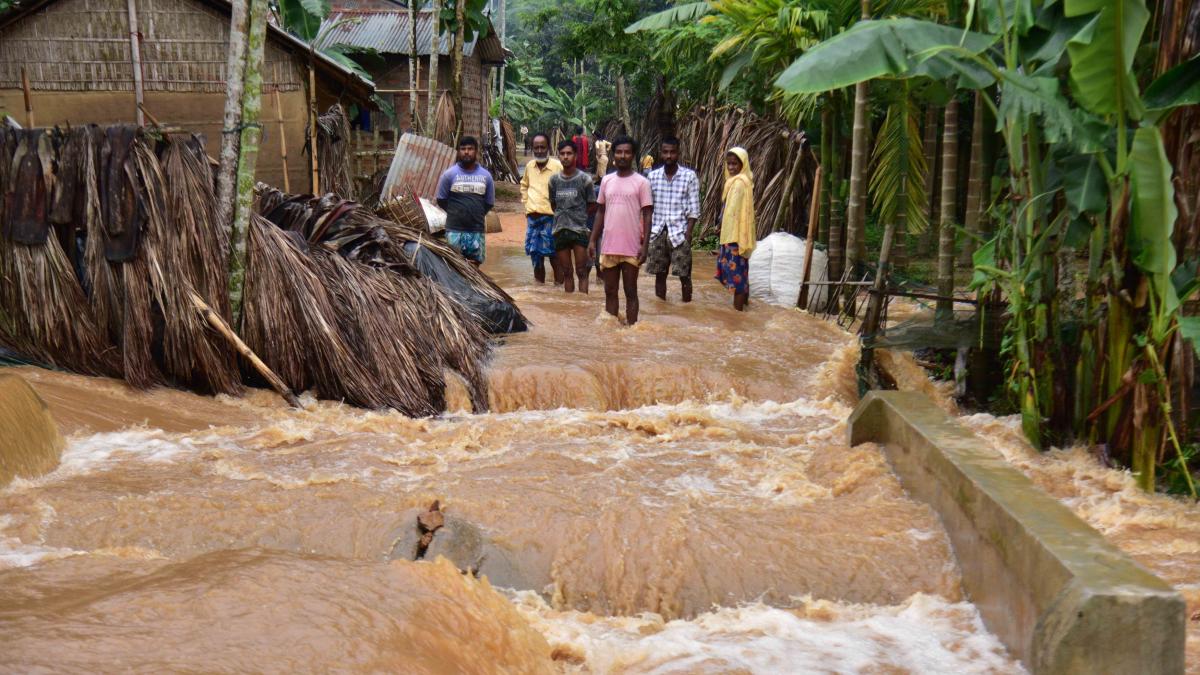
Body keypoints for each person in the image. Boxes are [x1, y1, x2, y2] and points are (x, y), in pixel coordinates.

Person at [589, 136, 653, 325]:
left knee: (631, 292)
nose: (622, 156)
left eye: (627, 152)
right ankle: (612, 332)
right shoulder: (607, 181)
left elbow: (647, 215)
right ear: (613, 154)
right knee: (610, 292)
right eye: (619, 152)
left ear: (633, 155)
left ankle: (632, 330)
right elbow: (600, 211)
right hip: (609, 246)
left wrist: (645, 245)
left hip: (632, 248)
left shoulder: (642, 183)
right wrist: (592, 240)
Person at [644, 136, 700, 303]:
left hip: (679, 232)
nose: (669, 156)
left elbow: (694, 209)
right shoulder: (652, 177)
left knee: (684, 275)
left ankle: (687, 308)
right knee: (659, 275)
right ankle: (661, 308)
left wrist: (688, 234)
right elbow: (647, 208)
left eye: (672, 152)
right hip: (657, 232)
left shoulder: (689, 177)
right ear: (661, 154)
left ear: (678, 153)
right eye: (665, 152)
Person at [435, 136, 494, 265]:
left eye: (470, 149)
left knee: (475, 267)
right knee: (454, 266)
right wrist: (456, 213)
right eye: (463, 149)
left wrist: (475, 213)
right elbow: (441, 200)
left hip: (476, 230)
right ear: (459, 151)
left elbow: (489, 203)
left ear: (476, 151)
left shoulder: (486, 176)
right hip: (454, 231)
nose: (466, 152)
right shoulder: (449, 175)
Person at [548, 139, 596, 293]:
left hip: (579, 230)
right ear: (558, 156)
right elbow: (553, 204)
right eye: (562, 154)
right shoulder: (553, 181)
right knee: (567, 272)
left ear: (575, 155)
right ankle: (569, 307)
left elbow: (592, 204)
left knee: (582, 272)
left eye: (569, 153)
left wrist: (578, 216)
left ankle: (582, 306)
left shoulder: (585, 179)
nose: (565, 157)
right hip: (560, 229)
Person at [520, 132, 563, 284]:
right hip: (532, 219)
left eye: (542, 147)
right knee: (536, 257)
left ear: (549, 148)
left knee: (555, 257)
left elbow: (564, 189)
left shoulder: (557, 167)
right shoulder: (529, 166)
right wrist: (526, 202)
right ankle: (539, 290)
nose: (539, 151)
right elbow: (524, 185)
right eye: (536, 147)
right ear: (532, 148)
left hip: (552, 218)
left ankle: (559, 291)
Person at [716, 147, 756, 310]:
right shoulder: (738, 181)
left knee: (737, 279)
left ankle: (737, 315)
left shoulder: (739, 183)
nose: (731, 167)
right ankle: (744, 309)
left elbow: (733, 212)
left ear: (743, 164)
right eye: (729, 164)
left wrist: (727, 231)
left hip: (734, 237)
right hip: (735, 235)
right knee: (741, 274)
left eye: (735, 164)